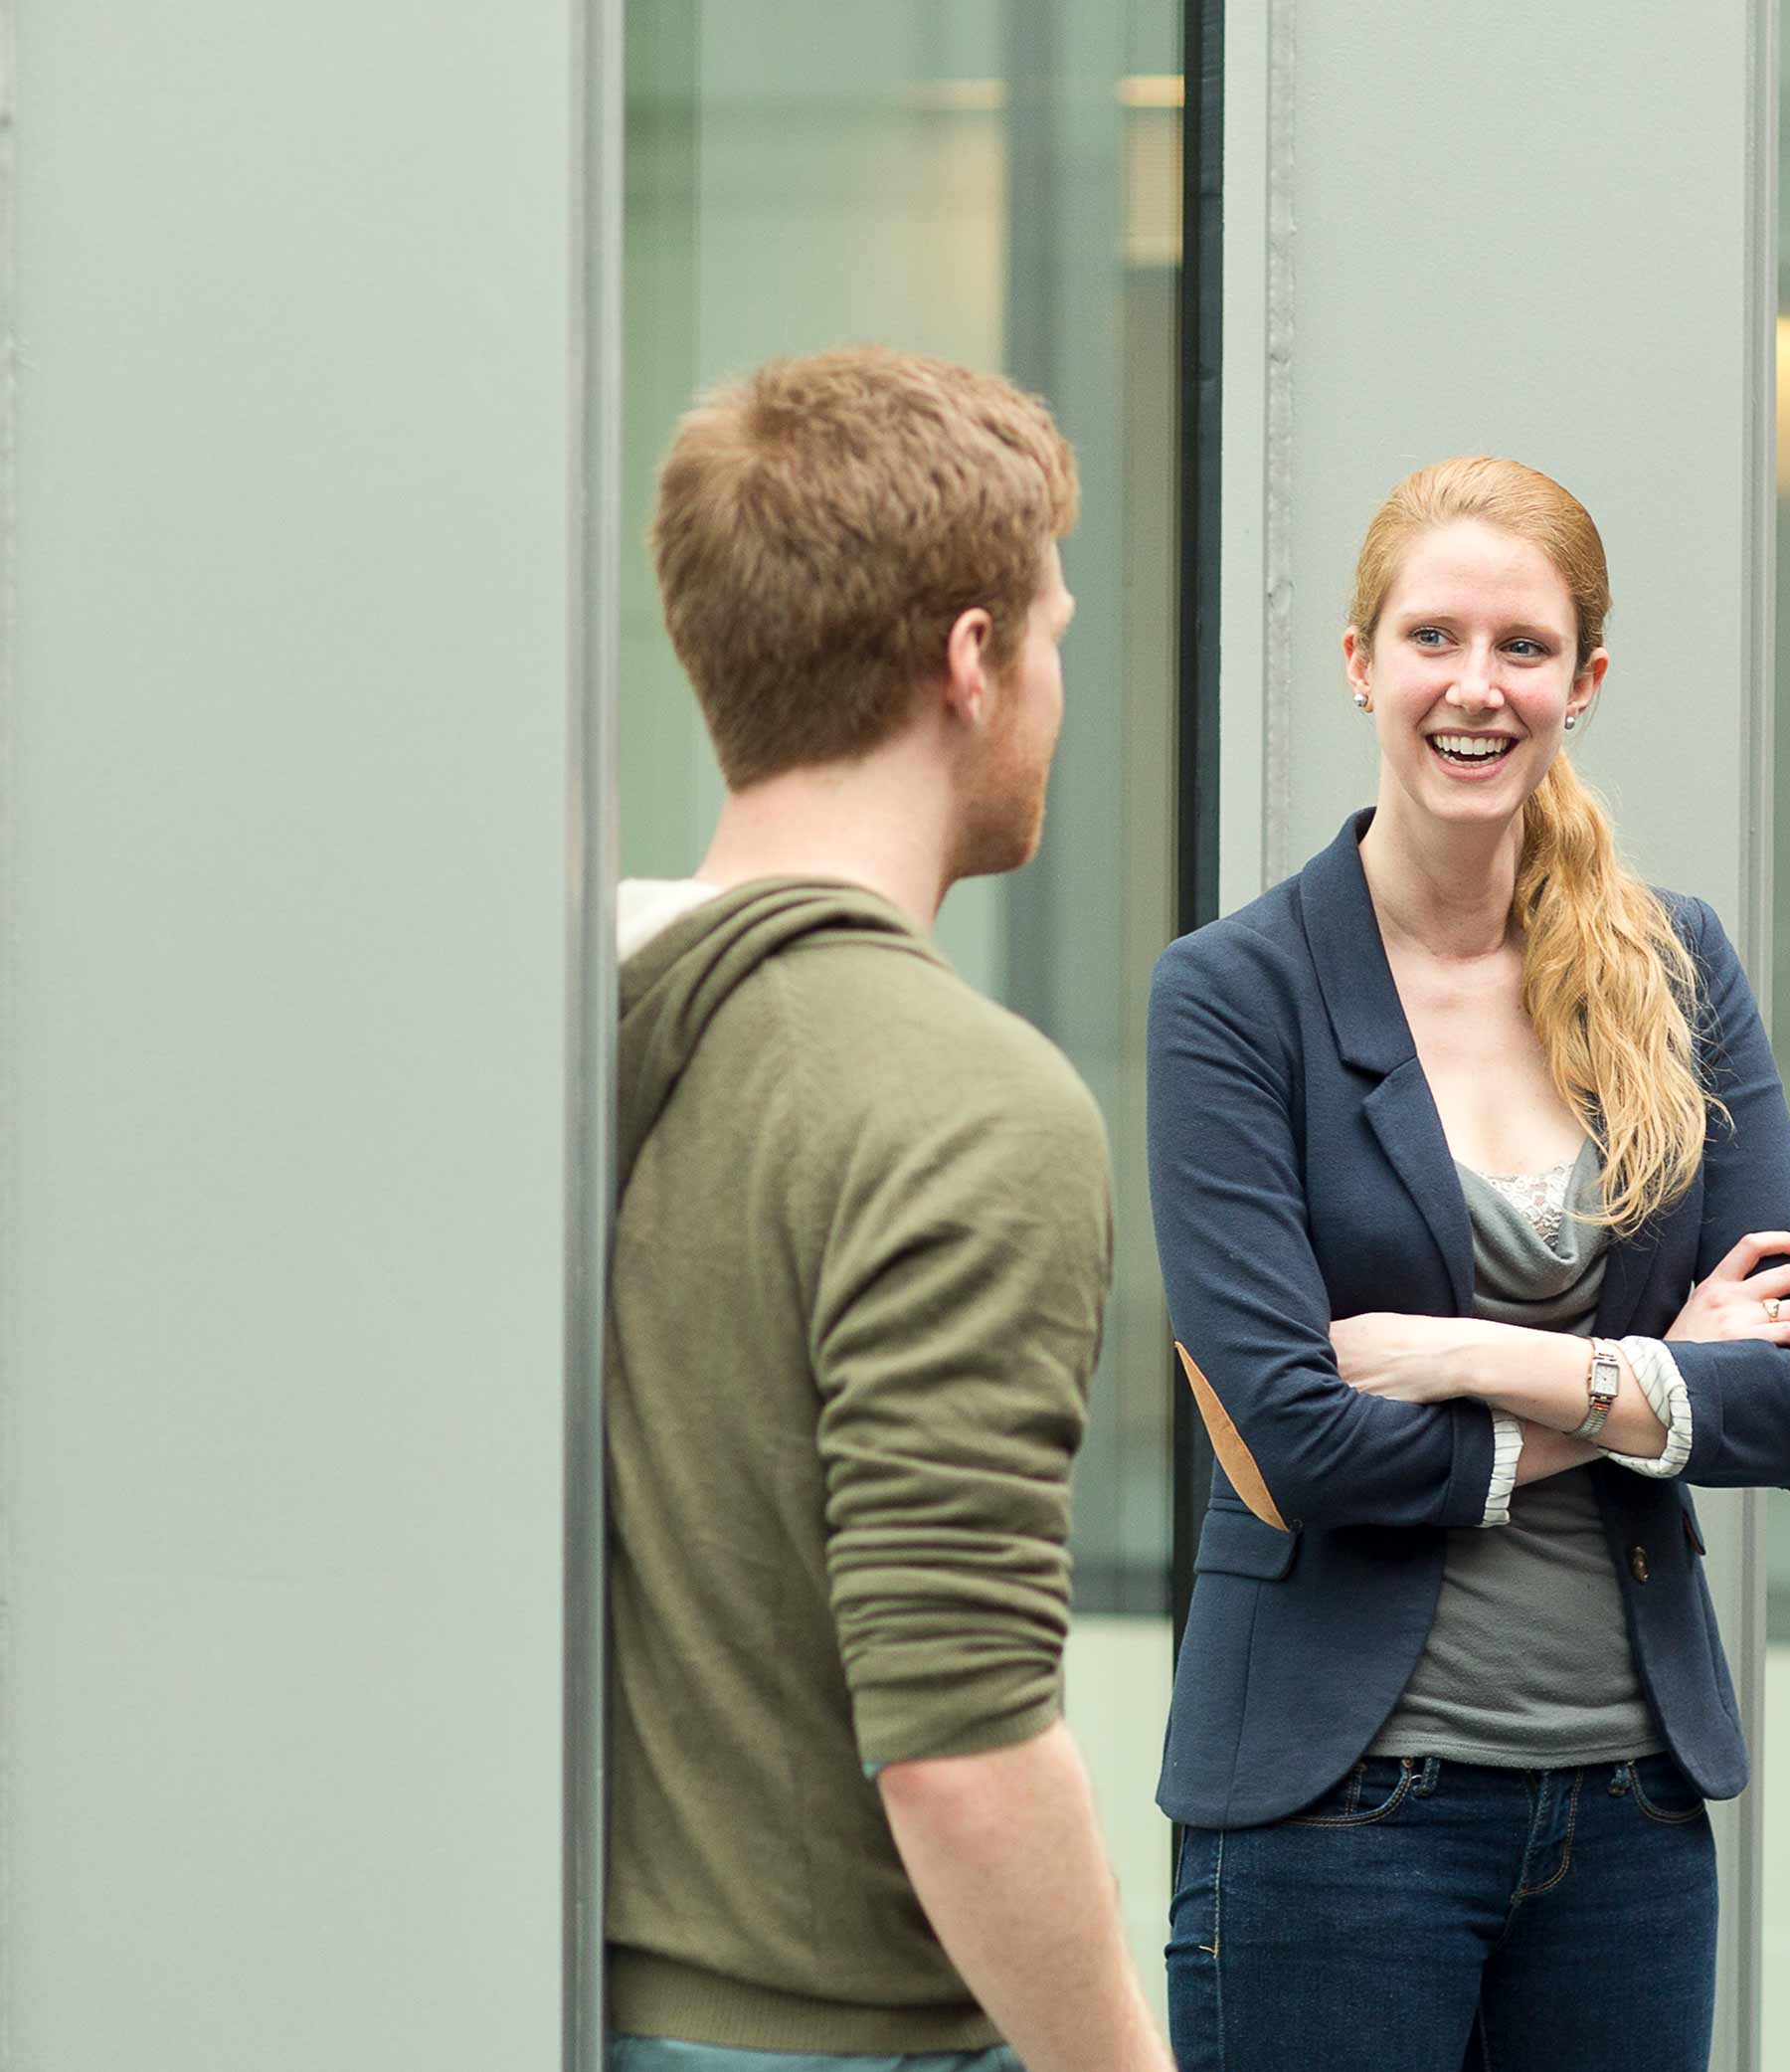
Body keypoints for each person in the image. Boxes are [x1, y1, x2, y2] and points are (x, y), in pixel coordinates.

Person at [1147, 456, 1790, 2069]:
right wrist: (1656, 1375)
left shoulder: (1676, 968)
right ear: (1358, 662)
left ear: (1585, 681)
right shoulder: (1234, 998)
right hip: (1337, 1813)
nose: (1478, 687)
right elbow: (1300, 1444)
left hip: (1629, 1814)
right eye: (1434, 637)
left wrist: (1492, 1357)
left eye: (1525, 647)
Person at [606, 344, 1166, 2072]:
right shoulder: (967, 1104)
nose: (1057, 683)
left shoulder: (551, 1036)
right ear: (970, 660)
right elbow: (959, 1742)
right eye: (1055, 635)